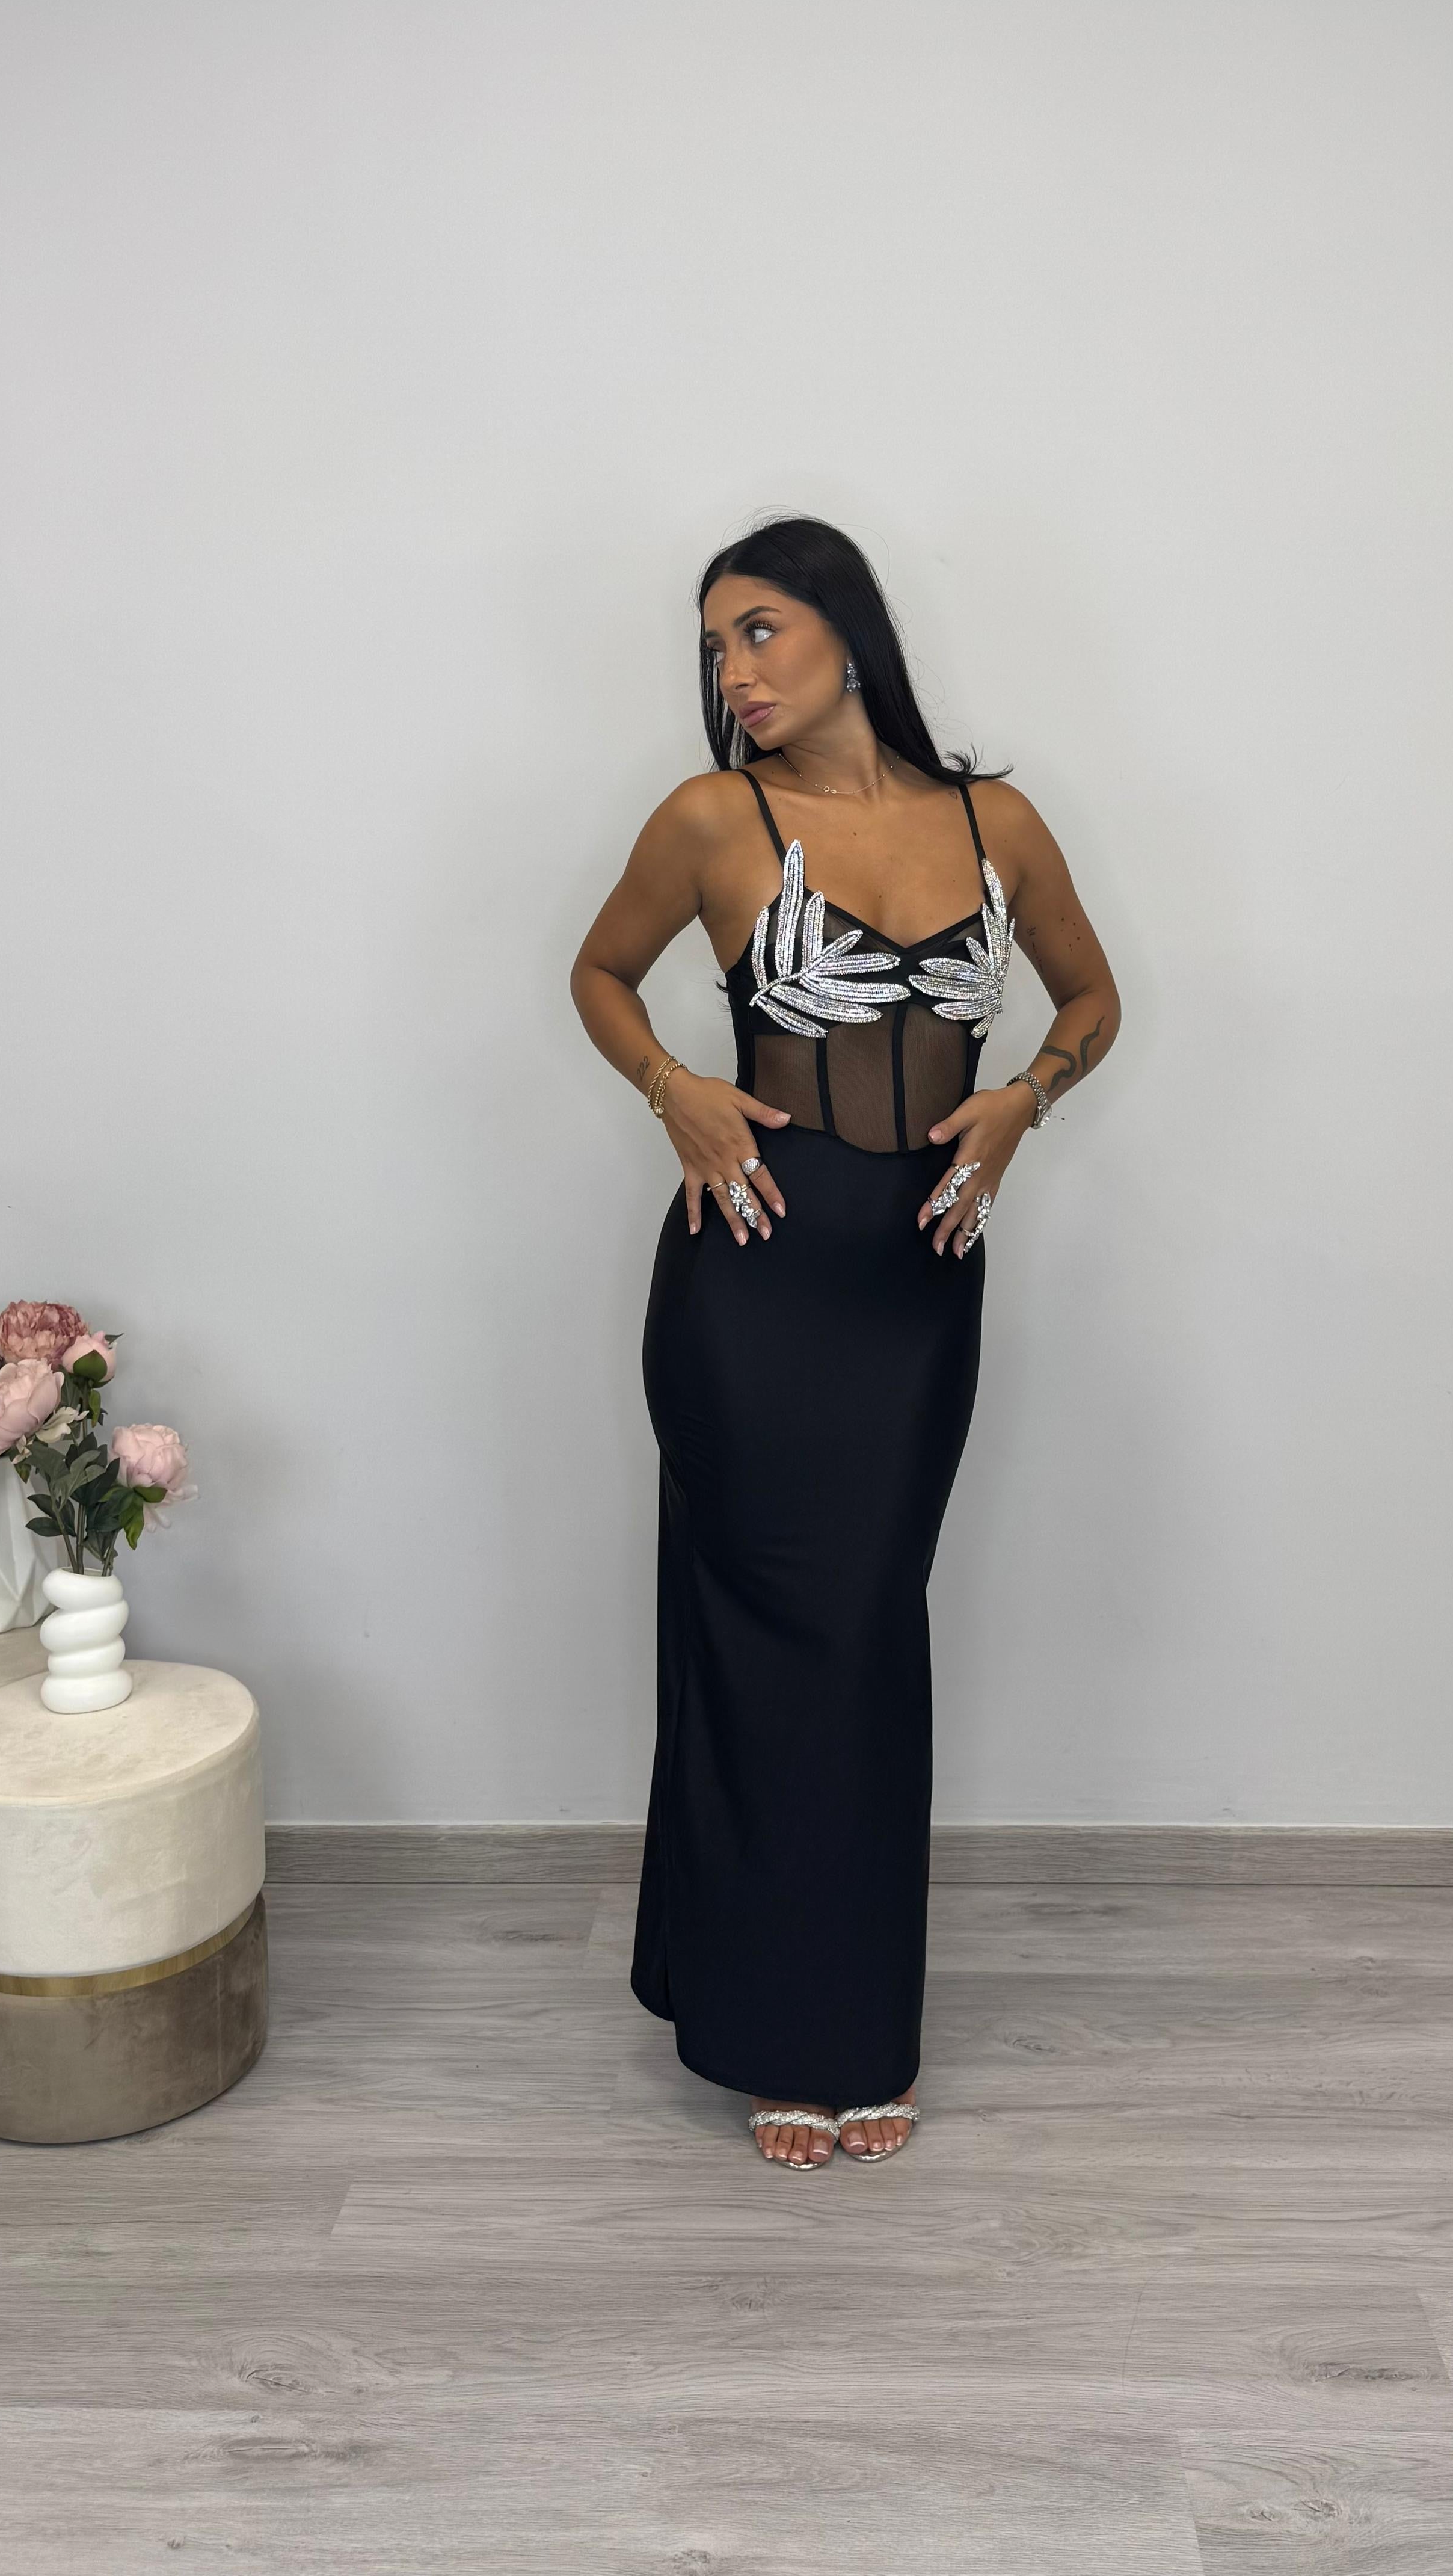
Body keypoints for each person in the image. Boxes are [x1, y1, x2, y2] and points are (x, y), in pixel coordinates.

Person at [570, 516, 1121, 2169]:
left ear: (847, 630)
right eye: (715, 648)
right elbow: (599, 974)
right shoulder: (709, 819)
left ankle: (854, 2017)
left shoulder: (997, 822)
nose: (733, 672)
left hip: (918, 1280)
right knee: (764, 1636)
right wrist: (673, 1091)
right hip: (749, 1273)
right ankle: (778, 2037)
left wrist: (1025, 1101)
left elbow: (1094, 1001)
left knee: (869, 1633)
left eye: (760, 632)